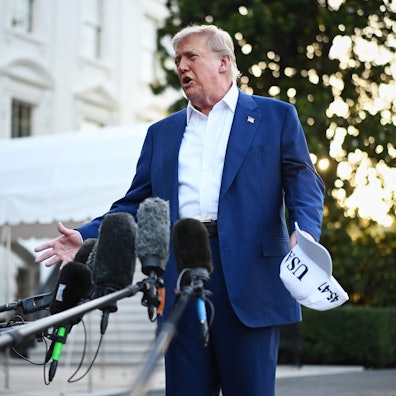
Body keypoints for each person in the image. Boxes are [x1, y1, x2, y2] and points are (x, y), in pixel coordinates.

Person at [35, 24, 325, 396]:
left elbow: (302, 181)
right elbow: (136, 201)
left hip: (252, 276)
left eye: (191, 57)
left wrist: (305, 232)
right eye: (177, 60)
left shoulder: (276, 116)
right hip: (180, 275)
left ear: (224, 62)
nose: (181, 67)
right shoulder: (163, 132)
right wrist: (88, 236)